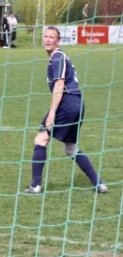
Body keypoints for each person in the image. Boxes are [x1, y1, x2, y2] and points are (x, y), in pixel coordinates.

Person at [25, 27, 107, 194]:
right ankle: (98, 183)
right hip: (77, 103)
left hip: (67, 102)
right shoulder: (61, 56)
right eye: (46, 36)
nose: (48, 40)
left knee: (41, 138)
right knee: (71, 149)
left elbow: (59, 84)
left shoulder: (57, 56)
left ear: (58, 41)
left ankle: (35, 185)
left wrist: (52, 112)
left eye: (52, 37)